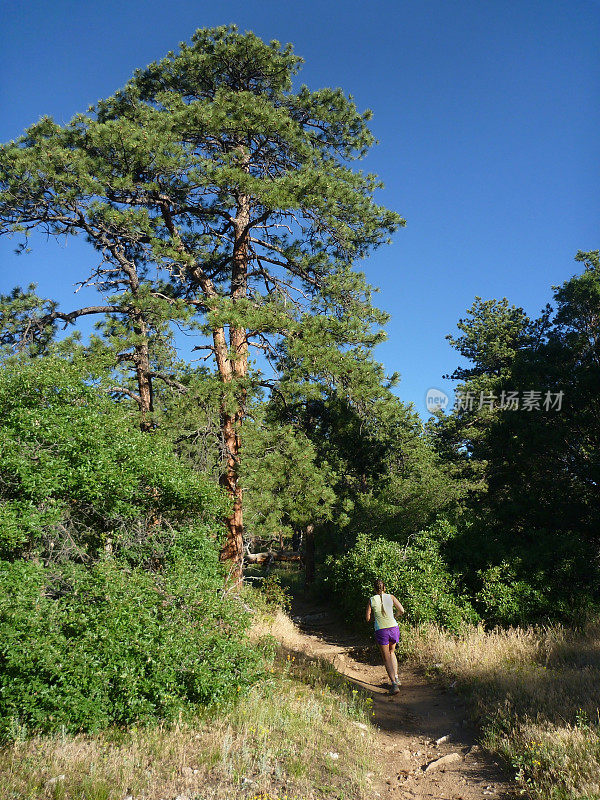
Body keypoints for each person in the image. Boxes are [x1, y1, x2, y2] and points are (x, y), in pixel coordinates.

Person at [365, 578, 405, 694]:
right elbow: (401, 610)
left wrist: (375, 619)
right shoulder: (391, 597)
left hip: (381, 630)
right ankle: (396, 678)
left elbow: (367, 618)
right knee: (392, 652)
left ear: (374, 589)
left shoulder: (371, 600)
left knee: (386, 657)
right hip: (394, 627)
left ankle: (393, 684)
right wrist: (394, 616)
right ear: (384, 588)